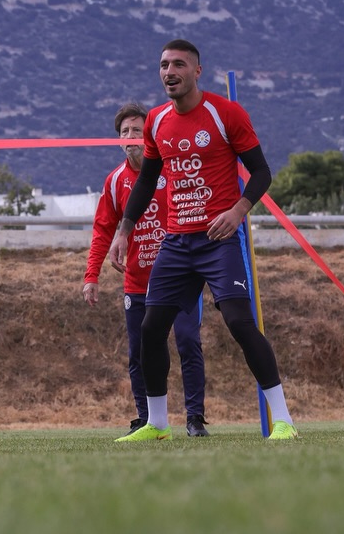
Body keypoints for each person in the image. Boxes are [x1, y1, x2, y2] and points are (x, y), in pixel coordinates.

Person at [109, 39, 298, 442]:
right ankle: (157, 425)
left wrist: (237, 211)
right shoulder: (157, 121)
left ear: (197, 71)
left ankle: (284, 420)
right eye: (163, 65)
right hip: (177, 243)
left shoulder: (224, 113)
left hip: (218, 241)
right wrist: (123, 230)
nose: (169, 72)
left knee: (239, 324)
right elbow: (146, 181)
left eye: (178, 64)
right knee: (151, 328)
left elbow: (262, 172)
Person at [84, 102, 208, 438]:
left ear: (149, 135)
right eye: (125, 132)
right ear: (119, 140)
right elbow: (102, 230)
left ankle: (195, 418)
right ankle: (147, 418)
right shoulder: (114, 182)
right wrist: (91, 275)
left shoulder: (170, 170)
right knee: (140, 352)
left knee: (186, 341)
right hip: (137, 283)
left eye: (137, 130)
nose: (131, 137)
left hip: (179, 278)